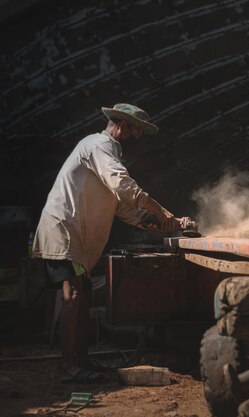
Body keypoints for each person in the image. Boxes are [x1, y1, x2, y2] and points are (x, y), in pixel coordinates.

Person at [32, 103, 180, 382]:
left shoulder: (105, 154)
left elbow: (125, 209)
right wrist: (161, 210)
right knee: (73, 294)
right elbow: (122, 185)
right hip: (64, 231)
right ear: (121, 127)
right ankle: (69, 367)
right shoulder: (100, 144)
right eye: (135, 133)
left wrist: (162, 223)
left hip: (75, 236)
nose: (136, 140)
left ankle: (82, 361)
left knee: (82, 293)